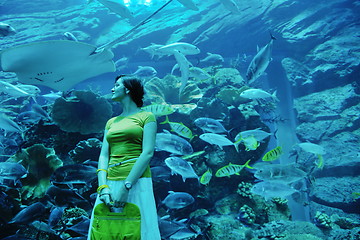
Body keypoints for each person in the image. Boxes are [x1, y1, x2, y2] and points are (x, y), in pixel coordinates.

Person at [87, 75, 161, 240]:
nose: (112, 89)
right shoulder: (111, 122)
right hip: (109, 182)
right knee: (104, 230)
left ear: (128, 89)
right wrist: (103, 187)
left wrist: (126, 187)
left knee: (140, 230)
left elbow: (148, 152)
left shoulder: (146, 117)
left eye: (116, 85)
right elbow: (104, 155)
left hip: (137, 182)